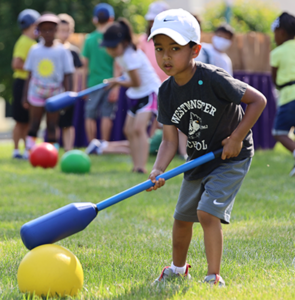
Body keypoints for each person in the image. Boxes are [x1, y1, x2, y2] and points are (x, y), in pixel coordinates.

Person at [145, 9, 266, 285]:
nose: (166, 56)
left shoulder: (214, 78)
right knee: (182, 217)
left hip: (230, 156)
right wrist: (158, 168)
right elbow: (169, 140)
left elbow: (258, 100)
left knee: (207, 211)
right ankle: (177, 269)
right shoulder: (166, 92)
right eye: (160, 48)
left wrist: (236, 137)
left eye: (175, 48)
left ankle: (213, 276)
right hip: (198, 158)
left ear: (195, 50)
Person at [86, 18, 161, 173]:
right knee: (128, 130)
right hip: (136, 94)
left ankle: (141, 167)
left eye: (113, 47)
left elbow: (136, 82)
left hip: (148, 93)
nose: (110, 51)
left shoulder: (130, 56)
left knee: (139, 129)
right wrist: (117, 81)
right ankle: (135, 165)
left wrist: (116, 82)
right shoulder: (121, 55)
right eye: (108, 47)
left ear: (124, 42)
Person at [23, 13, 74, 155]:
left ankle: (52, 153)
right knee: (34, 122)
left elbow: (67, 74)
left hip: (55, 92)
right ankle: (29, 151)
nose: (47, 33)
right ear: (39, 31)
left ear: (56, 30)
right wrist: (25, 96)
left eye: (51, 29)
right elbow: (29, 75)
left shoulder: (62, 51)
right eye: (44, 30)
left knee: (52, 124)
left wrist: (68, 95)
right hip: (36, 91)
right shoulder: (34, 50)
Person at [82, 3, 120, 143]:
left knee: (90, 115)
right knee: (106, 115)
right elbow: (117, 65)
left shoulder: (89, 39)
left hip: (92, 84)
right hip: (110, 83)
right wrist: (116, 87)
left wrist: (84, 86)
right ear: (111, 19)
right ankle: (104, 144)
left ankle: (92, 144)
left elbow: (84, 66)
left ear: (94, 20)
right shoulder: (114, 39)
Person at [11, 9, 40, 159]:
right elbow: (16, 63)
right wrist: (33, 68)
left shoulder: (31, 42)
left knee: (27, 120)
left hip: (28, 83)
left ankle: (26, 150)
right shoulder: (25, 42)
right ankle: (16, 150)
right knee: (20, 120)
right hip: (22, 83)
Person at [270, 12, 295, 177]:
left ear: (282, 32)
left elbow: (274, 77)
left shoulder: (277, 52)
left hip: (289, 97)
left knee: (279, 132)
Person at [56, 13, 83, 151]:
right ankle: (51, 149)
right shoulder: (52, 50)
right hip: (53, 91)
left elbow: (78, 74)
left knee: (68, 124)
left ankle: (68, 150)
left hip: (68, 93)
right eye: (62, 30)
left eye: (68, 31)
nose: (64, 34)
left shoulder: (74, 51)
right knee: (53, 122)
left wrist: (74, 92)